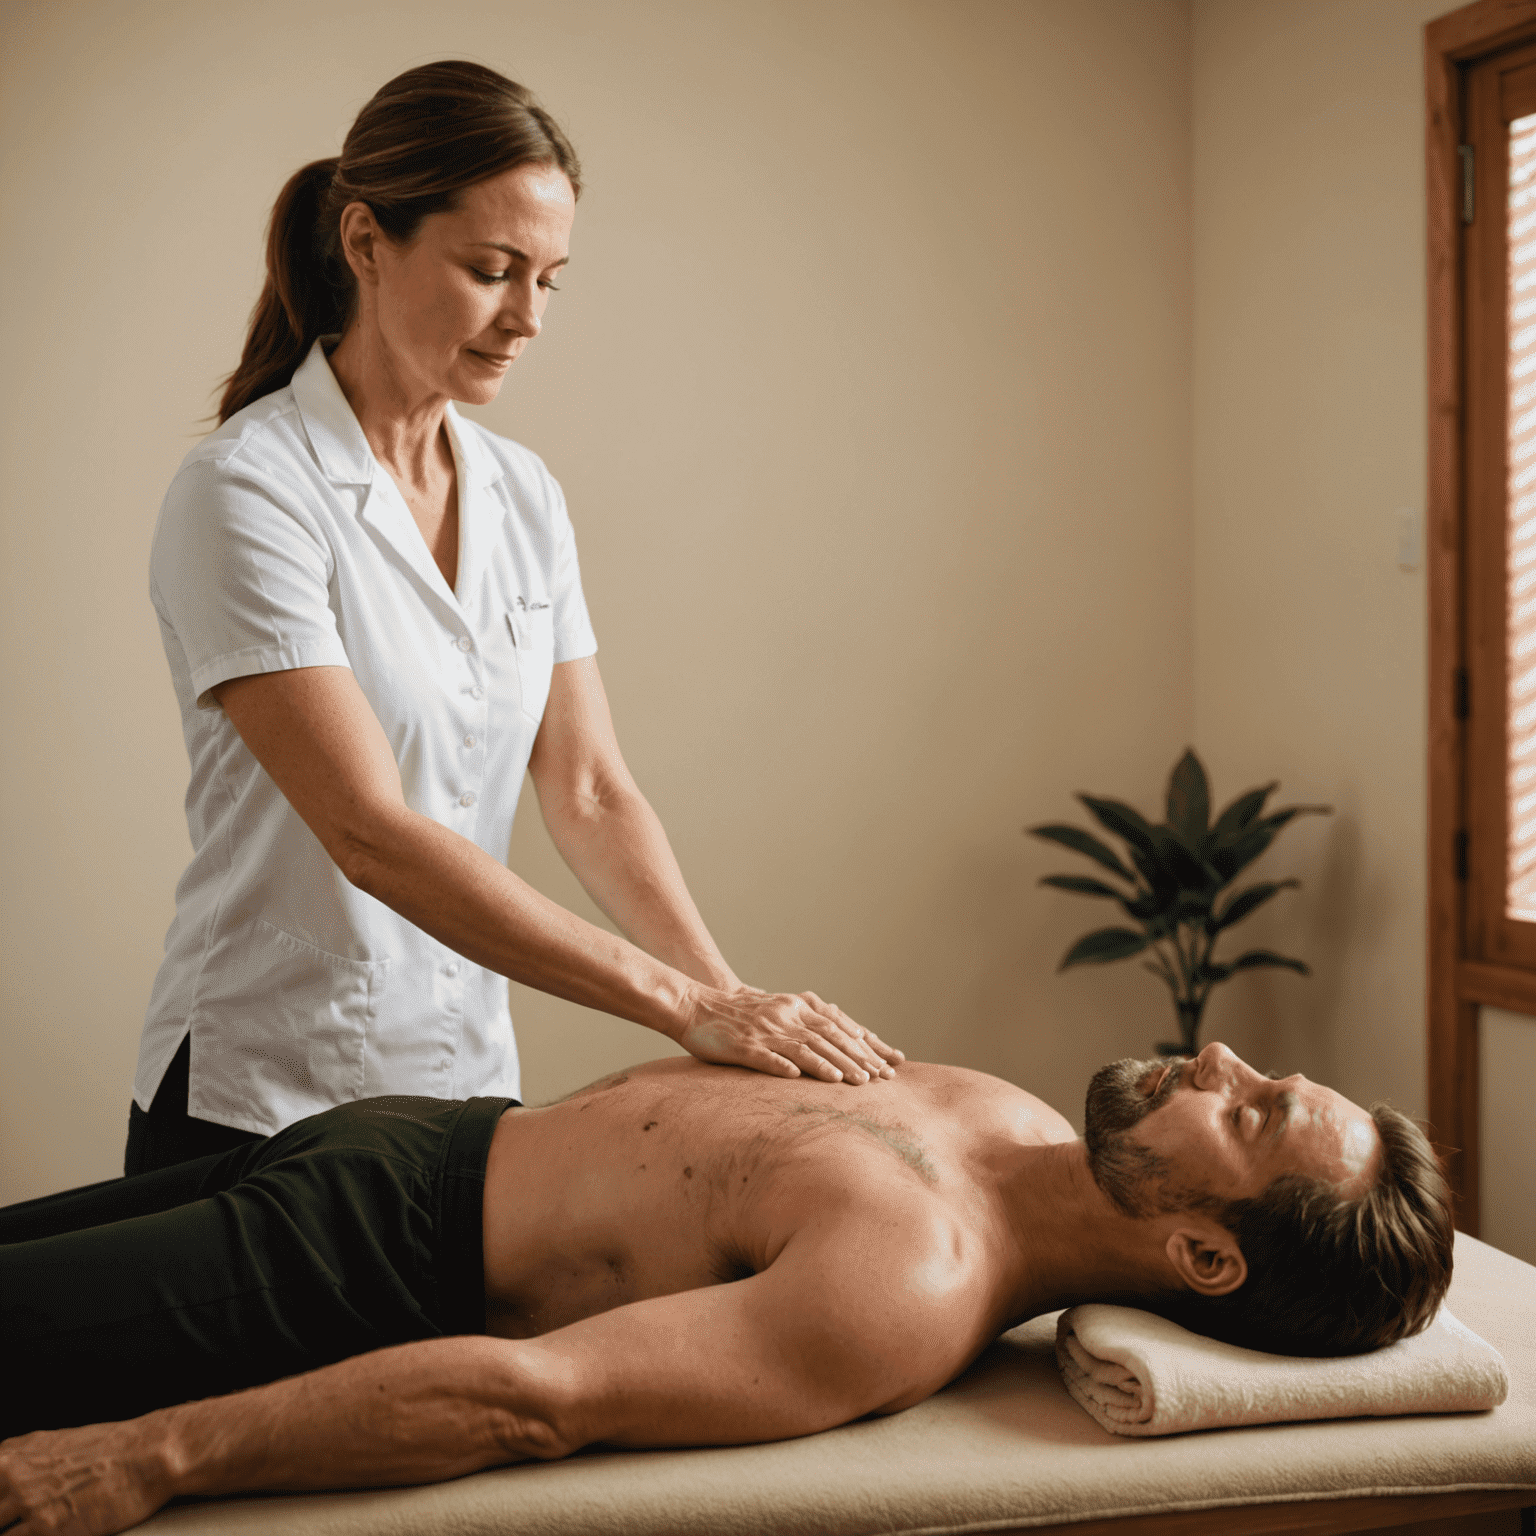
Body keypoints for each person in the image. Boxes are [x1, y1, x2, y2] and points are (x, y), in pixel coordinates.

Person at [131, 58, 899, 1177]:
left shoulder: (521, 493)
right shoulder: (246, 491)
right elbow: (367, 832)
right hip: (264, 1101)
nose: (528, 317)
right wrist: (680, 1006)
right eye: (492, 270)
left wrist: (736, 1005)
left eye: (551, 279)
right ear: (364, 244)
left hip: (462, 1105)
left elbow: (588, 788)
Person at [1, 1042, 1454, 1535]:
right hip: (397, 1136)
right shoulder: (1012, 1116)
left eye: (1252, 1115)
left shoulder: (908, 1289)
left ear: (1206, 1252)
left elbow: (537, 1402)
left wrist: (151, 1454)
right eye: (1269, 1076)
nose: (1223, 1063)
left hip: (369, 1257)